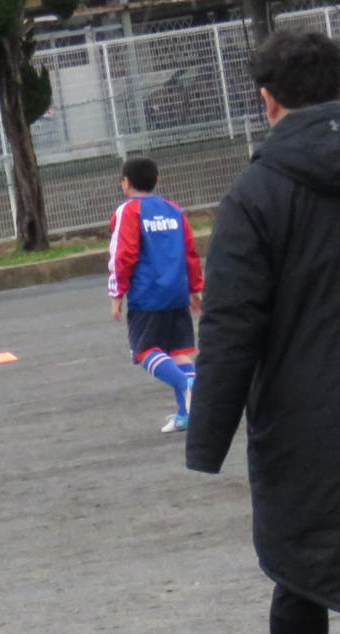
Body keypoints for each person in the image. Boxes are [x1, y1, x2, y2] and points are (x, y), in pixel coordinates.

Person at [186, 30, 340, 634]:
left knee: (301, 566)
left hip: (308, 416)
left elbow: (232, 323)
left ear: (267, 102)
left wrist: (208, 438)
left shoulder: (256, 194)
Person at [108, 155, 205, 434]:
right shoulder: (174, 210)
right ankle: (187, 414)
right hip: (177, 291)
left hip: (148, 294)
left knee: (144, 350)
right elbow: (190, 251)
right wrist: (195, 288)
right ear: (157, 181)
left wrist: (117, 294)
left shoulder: (128, 211)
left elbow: (122, 255)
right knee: (177, 351)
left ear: (125, 183)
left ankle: (186, 385)